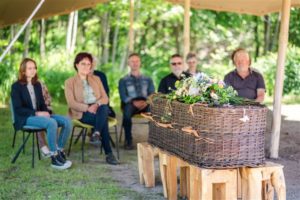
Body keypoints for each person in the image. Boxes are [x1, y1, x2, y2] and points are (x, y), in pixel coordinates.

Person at [11, 58, 72, 170]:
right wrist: (37, 113)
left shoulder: (37, 85)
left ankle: (59, 150)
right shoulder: (16, 87)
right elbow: (18, 109)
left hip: (38, 115)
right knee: (51, 123)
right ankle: (54, 158)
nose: (33, 70)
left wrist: (47, 112)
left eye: (34, 68)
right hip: (25, 118)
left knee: (67, 121)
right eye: (30, 68)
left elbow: (42, 104)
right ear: (23, 71)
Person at [64, 52, 118, 165]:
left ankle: (96, 132)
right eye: (83, 64)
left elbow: (105, 98)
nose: (86, 66)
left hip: (98, 108)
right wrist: (87, 108)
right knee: (103, 121)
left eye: (88, 64)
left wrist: (96, 104)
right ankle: (109, 154)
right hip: (82, 112)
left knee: (103, 107)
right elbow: (71, 103)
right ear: (77, 65)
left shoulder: (96, 79)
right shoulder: (69, 82)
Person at [118, 53, 155, 150]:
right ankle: (128, 140)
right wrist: (133, 102)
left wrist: (146, 102)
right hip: (131, 103)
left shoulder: (148, 79)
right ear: (128, 64)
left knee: (156, 112)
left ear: (140, 63)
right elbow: (123, 96)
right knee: (126, 113)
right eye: (132, 61)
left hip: (145, 103)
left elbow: (152, 94)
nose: (135, 63)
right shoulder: (123, 80)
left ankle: (154, 141)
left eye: (137, 61)